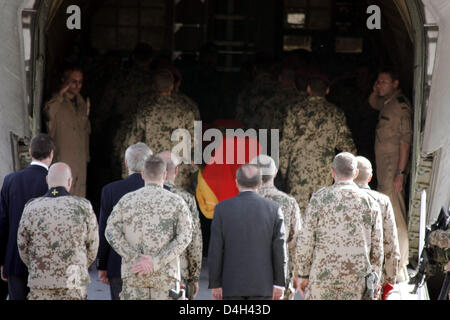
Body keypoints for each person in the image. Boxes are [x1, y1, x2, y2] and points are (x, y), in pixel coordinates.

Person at [294, 152, 383, 300]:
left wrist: (302, 274)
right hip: (356, 283)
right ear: (355, 173)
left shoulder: (318, 198)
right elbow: (377, 248)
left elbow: (306, 239)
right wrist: (375, 280)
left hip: (322, 280)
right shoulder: (370, 203)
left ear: (332, 172)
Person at [105, 155, 192, 300]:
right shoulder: (177, 202)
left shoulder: (126, 201)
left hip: (135, 274)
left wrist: (135, 258)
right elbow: (185, 236)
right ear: (164, 175)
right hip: (166, 277)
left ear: (143, 175)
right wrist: (156, 261)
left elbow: (110, 232)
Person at [17, 163, 99, 300]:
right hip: (74, 282)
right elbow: (93, 246)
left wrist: (37, 266)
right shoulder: (83, 206)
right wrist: (79, 265)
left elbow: (22, 246)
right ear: (69, 181)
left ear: (47, 180)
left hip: (41, 282)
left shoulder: (31, 208)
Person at [279, 76, 357, 215]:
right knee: (322, 213)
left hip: (298, 171)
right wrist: (351, 173)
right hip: (324, 172)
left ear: (308, 89)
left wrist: (284, 172)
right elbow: (347, 145)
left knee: (297, 214)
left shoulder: (295, 111)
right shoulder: (335, 113)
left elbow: (285, 144)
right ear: (327, 91)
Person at [208, 164, 287, 300]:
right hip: (263, 286)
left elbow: (215, 249)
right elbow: (279, 249)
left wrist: (215, 283)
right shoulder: (274, 209)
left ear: (236, 182)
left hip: (231, 286)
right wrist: (279, 283)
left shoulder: (222, 209)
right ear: (260, 184)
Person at [368, 68, 412, 282]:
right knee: (389, 213)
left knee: (396, 215)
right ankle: (394, 262)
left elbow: (405, 141)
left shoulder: (401, 106)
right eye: (378, 81)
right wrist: (375, 89)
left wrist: (400, 173)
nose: (379, 84)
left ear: (395, 84)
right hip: (384, 169)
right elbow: (372, 102)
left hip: (392, 168)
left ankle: (401, 264)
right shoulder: (387, 102)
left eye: (384, 81)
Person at [0, 134, 55, 300]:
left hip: (14, 260)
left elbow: (2, 222)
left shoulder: (10, 180)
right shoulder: (53, 183)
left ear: (30, 152)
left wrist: (2, 261)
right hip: (45, 263)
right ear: (51, 154)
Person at [122, 70, 197, 191]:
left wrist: (128, 174)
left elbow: (132, 143)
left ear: (154, 86)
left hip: (152, 173)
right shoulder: (185, 111)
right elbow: (194, 142)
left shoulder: (145, 111)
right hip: (178, 173)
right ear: (172, 86)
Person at [97, 142, 153, 300]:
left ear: (126, 163)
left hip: (119, 266)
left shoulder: (110, 190)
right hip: (154, 266)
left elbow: (105, 231)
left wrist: (102, 265)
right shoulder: (165, 192)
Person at [250, 155, 301, 300]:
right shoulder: (289, 202)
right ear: (275, 173)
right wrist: (299, 273)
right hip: (279, 275)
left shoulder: (240, 202)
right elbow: (295, 241)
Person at [157, 151, 202, 299]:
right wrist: (194, 276)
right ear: (176, 171)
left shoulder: (136, 196)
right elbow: (194, 240)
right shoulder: (186, 198)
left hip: (144, 272)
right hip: (177, 272)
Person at [354, 156, 401, 290]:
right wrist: (390, 280)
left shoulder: (337, 199)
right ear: (370, 177)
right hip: (372, 279)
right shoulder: (382, 201)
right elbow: (391, 243)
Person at [44, 66, 90, 197]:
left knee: (78, 202)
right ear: (64, 80)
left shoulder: (82, 104)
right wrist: (60, 95)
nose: (77, 86)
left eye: (80, 82)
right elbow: (48, 114)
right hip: (62, 162)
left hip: (79, 166)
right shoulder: (56, 103)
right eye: (73, 81)